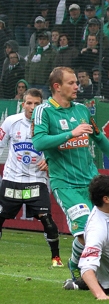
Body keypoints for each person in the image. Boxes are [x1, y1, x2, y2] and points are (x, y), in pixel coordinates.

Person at [32, 67, 109, 283]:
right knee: (85, 231)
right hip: (65, 184)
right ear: (57, 87)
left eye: (77, 82)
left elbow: (100, 137)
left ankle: (102, 271)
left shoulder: (82, 110)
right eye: (71, 83)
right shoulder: (44, 111)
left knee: (107, 230)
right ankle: (77, 266)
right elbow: (38, 142)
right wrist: (70, 134)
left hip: (91, 182)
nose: (77, 86)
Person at [0, 88, 62, 267]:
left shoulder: (50, 123)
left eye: (36, 104)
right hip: (12, 180)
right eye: (29, 103)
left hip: (36, 181)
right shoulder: (11, 122)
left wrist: (50, 161)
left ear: (42, 105)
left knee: (46, 218)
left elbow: (60, 148)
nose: (32, 107)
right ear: (23, 104)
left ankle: (56, 258)